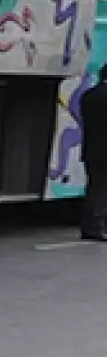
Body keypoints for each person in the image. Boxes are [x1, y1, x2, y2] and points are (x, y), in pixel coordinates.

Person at [80, 64, 107, 239]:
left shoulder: (89, 95)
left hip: (92, 148)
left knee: (95, 187)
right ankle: (97, 226)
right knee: (102, 191)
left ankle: (90, 225)